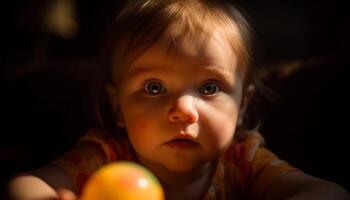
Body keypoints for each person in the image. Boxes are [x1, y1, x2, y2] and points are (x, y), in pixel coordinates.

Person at [7, 0, 349, 199]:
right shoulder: (108, 156)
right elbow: (23, 184)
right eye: (154, 87)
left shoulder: (242, 162)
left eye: (210, 88)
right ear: (118, 106)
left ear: (242, 106)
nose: (184, 111)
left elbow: (330, 193)